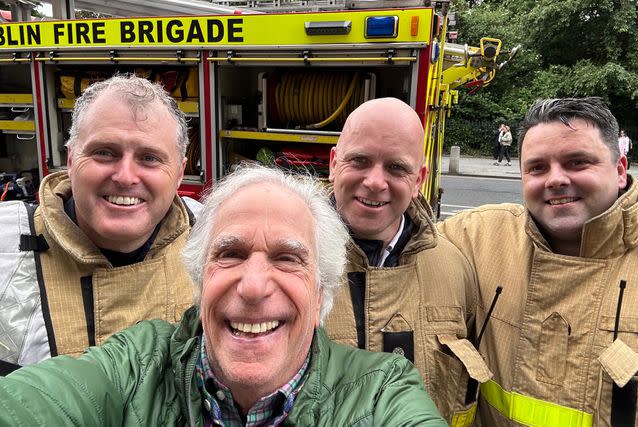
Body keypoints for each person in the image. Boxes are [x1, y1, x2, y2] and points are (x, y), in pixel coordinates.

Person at [0, 164, 447, 426]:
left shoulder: (381, 393)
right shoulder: (134, 368)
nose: (253, 286)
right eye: (230, 254)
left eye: (288, 258)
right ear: (199, 282)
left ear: (320, 296)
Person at [439, 97, 638, 426]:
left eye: (577, 163)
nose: (555, 179)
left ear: (619, 170)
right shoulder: (477, 237)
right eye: (537, 167)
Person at [0, 74, 198, 375]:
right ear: (70, 159)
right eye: (104, 152)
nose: (126, 176)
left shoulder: (211, 236)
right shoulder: (6, 249)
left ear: (180, 173)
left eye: (149, 158)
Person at [324, 97, 488, 425]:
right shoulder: (288, 262)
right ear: (333, 163)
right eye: (359, 160)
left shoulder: (456, 269)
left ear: (419, 179)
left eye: (396, 168)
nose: (374, 182)